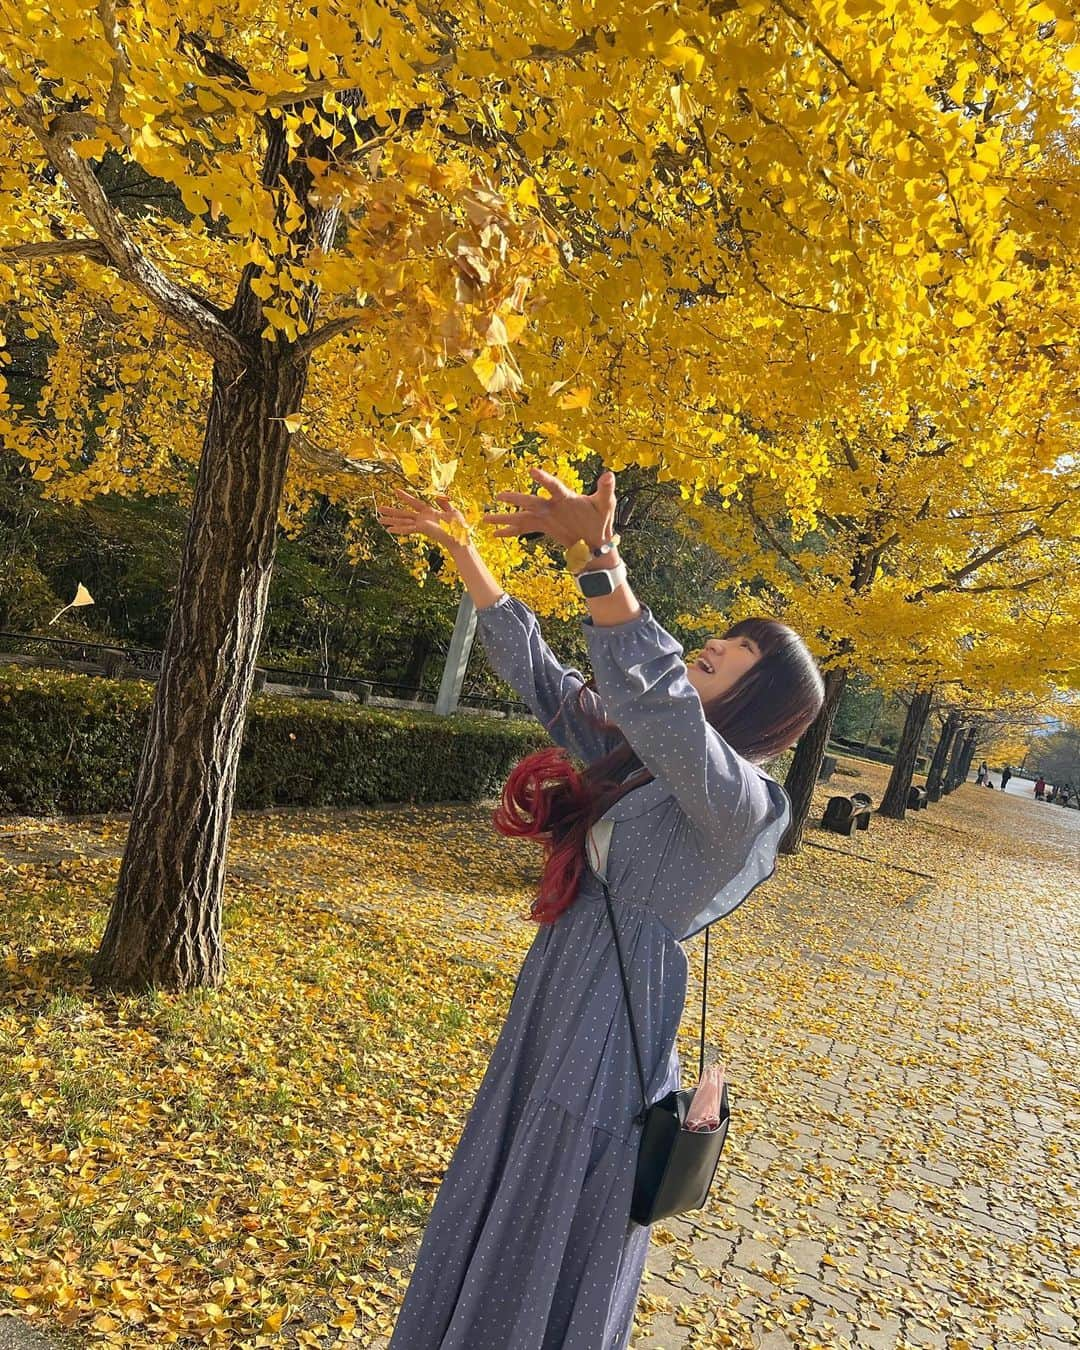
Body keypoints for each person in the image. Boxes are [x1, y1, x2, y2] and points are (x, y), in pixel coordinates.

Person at [377, 467, 824, 1350]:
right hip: (558, 998)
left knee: (544, 1205)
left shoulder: (742, 803)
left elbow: (655, 694)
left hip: (605, 1034)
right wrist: (466, 553)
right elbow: (549, 683)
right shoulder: (646, 758)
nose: (710, 649)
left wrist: (600, 559)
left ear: (756, 701)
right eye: (715, 644)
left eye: (726, 657)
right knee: (507, 1178)